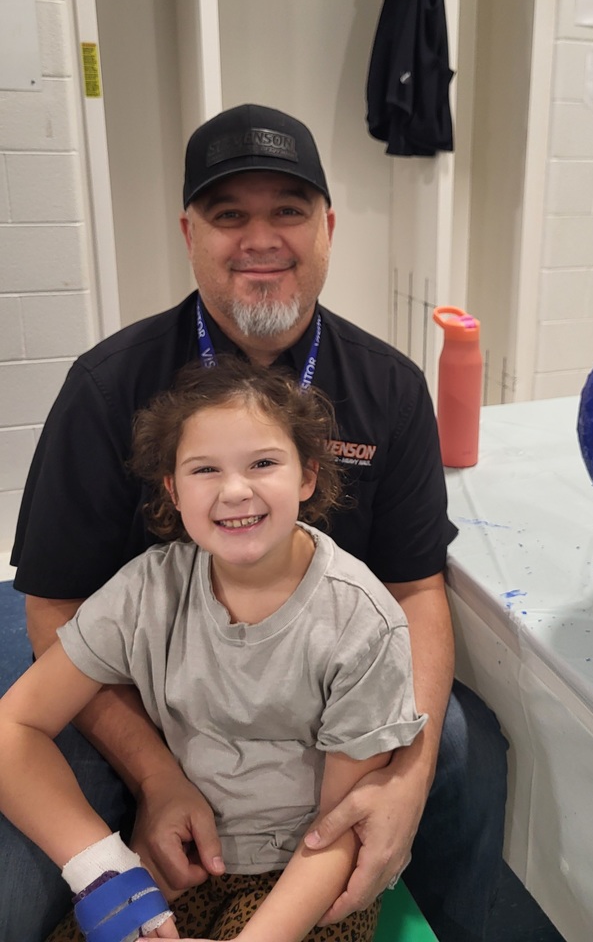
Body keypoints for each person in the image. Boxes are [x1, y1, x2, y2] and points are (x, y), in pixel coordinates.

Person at [6, 103, 508, 942]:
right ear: (189, 233)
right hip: (129, 676)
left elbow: (415, 589)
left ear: (327, 227)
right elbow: (52, 609)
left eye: (288, 210)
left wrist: (404, 778)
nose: (260, 238)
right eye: (228, 214)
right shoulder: (107, 387)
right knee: (17, 892)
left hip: (318, 680)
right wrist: (156, 773)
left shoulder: (388, 388)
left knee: (461, 747)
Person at [0, 358, 428, 942]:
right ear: (173, 490)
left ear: (307, 476)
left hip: (304, 881)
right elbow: (14, 728)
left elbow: (342, 828)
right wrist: (107, 876)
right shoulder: (146, 591)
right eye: (205, 469)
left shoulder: (361, 623)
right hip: (180, 861)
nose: (234, 490)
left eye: (262, 463)